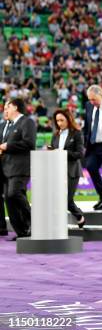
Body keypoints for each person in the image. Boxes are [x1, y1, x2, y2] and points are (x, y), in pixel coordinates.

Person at [0, 98, 36, 240]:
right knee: (9, 198)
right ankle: (22, 232)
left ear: (15, 107)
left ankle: (35, 222)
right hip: (7, 168)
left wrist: (7, 146)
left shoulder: (27, 122)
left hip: (20, 167)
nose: (5, 110)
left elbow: (29, 143)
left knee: (14, 193)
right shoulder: (10, 125)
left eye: (7, 107)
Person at [50, 108, 86, 229]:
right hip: (57, 171)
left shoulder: (76, 133)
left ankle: (79, 215)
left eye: (62, 120)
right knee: (58, 199)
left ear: (68, 119)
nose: (59, 123)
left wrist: (61, 152)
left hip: (71, 171)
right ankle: (77, 215)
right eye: (57, 121)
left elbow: (80, 154)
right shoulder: (55, 135)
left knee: (67, 199)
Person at [0, 111, 10, 236]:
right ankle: (1, 227)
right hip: (0, 165)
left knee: (11, 196)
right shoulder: (2, 126)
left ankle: (24, 225)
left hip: (11, 166)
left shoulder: (17, 126)